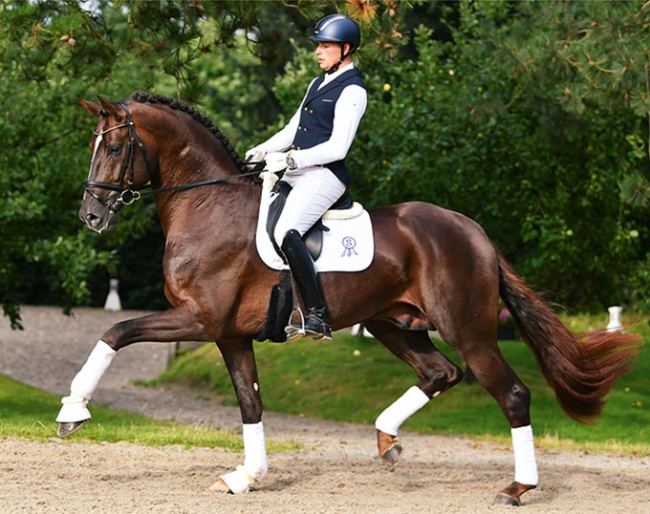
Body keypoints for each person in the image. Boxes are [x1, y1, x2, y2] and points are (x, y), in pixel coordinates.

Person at [246, 14, 367, 342]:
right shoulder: (318, 83)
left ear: (345, 48)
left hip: (325, 175)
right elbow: (291, 129)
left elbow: (338, 147)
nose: (318, 51)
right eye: (318, 45)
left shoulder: (353, 91)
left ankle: (317, 315)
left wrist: (290, 159)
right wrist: (258, 151)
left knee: (287, 229)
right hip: (299, 172)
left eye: (326, 46)